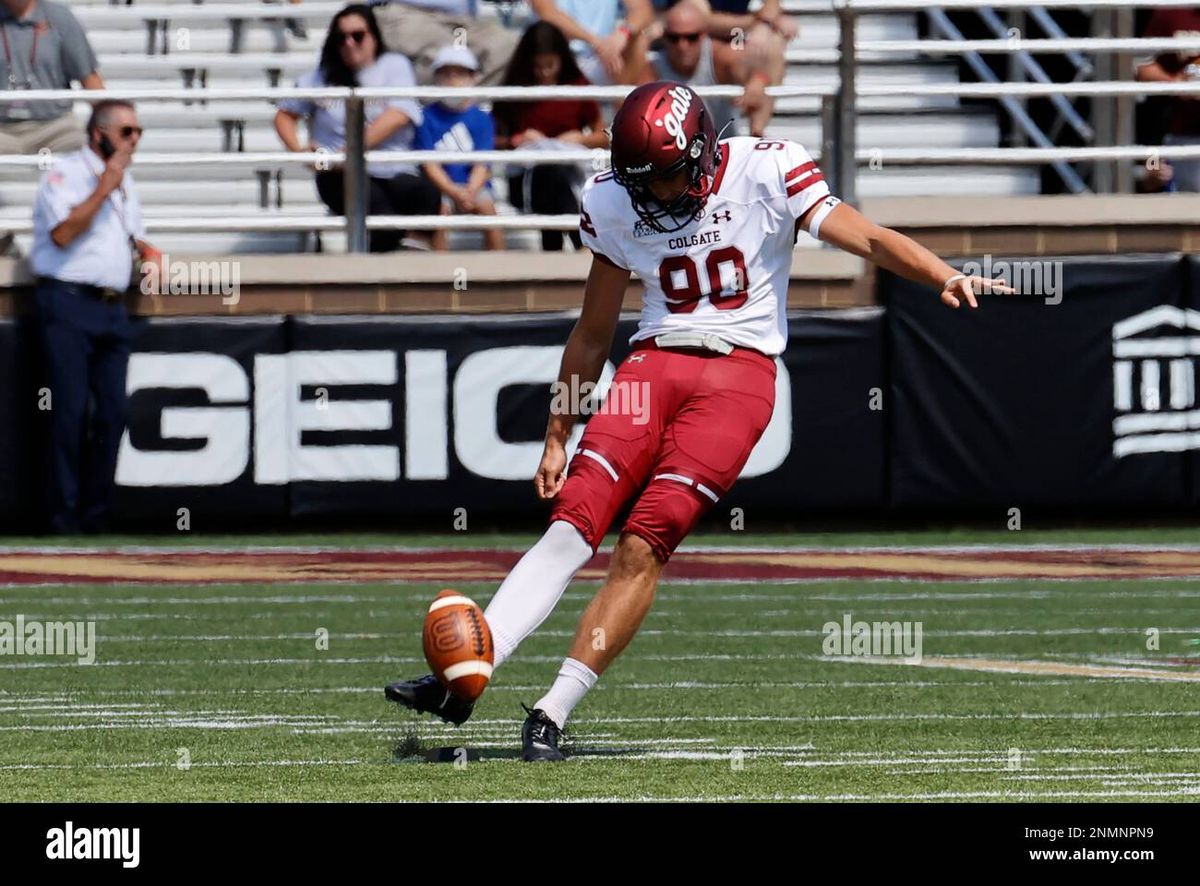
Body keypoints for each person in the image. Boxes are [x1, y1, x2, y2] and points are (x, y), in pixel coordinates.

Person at [385, 81, 1013, 760]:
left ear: (704, 149)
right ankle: (472, 676)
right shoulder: (612, 199)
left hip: (739, 378)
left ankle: (552, 711)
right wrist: (557, 432)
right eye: (641, 181)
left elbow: (866, 237)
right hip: (652, 365)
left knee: (642, 542)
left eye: (666, 175)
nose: (654, 194)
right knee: (574, 520)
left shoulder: (766, 168)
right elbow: (594, 333)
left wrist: (941, 273)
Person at [30, 100, 160, 534]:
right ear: (98, 133)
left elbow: (134, 237)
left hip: (111, 307)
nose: (134, 140)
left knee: (112, 413)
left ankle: (96, 511)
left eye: (138, 131)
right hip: (68, 302)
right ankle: (61, 515)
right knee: (68, 412)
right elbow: (63, 234)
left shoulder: (129, 182)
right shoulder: (65, 173)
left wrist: (149, 255)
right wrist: (104, 187)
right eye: (126, 132)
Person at [275, 4, 440, 251]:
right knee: (382, 219)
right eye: (342, 37)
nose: (349, 43)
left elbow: (399, 114)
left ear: (373, 36)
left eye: (358, 35)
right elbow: (284, 115)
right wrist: (300, 150)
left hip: (391, 168)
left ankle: (414, 269)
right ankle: (376, 281)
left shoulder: (393, 66)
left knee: (427, 196)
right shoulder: (322, 77)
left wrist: (350, 150)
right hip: (339, 174)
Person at [494, 21, 607, 251]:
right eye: (538, 66)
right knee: (549, 173)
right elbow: (493, 140)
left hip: (570, 175)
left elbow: (604, 137)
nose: (544, 73)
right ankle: (582, 245)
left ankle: (553, 249)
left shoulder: (578, 86)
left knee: (554, 175)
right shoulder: (514, 89)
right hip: (527, 179)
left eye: (550, 65)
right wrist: (518, 140)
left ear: (562, 60)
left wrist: (579, 139)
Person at [636, 0, 769, 136]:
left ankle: (758, 133)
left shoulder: (720, 58)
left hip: (722, 150)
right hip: (673, 155)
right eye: (674, 38)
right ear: (664, 38)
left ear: (704, 35)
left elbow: (756, 69)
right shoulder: (653, 69)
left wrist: (758, 81)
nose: (683, 46)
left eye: (691, 37)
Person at [415, 44, 503, 250]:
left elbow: (483, 163)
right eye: (446, 74)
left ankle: (499, 270)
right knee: (439, 213)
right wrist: (453, 191)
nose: (452, 81)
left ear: (473, 78)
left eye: (460, 74)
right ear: (436, 79)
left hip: (475, 187)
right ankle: (441, 273)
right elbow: (430, 165)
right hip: (440, 188)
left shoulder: (482, 119)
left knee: (490, 213)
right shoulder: (426, 117)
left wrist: (470, 191)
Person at [0, 0, 103, 156]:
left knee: (77, 146)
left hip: (54, 127)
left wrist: (112, 121)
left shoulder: (59, 18)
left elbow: (89, 79)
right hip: (3, 129)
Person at [368, 0, 520, 86]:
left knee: (509, 44)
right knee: (446, 55)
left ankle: (465, 115)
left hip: (460, 20)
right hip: (406, 13)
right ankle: (436, 121)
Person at [1136, 7, 1200, 191]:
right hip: (1179, 136)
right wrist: (1174, 82)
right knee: (1156, 176)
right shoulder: (1171, 12)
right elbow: (1141, 66)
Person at [530, 0, 654, 86]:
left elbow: (643, 9)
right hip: (560, 56)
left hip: (604, 58)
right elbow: (546, 12)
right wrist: (596, 42)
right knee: (545, 49)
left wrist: (622, 34)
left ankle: (623, 111)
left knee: (639, 40)